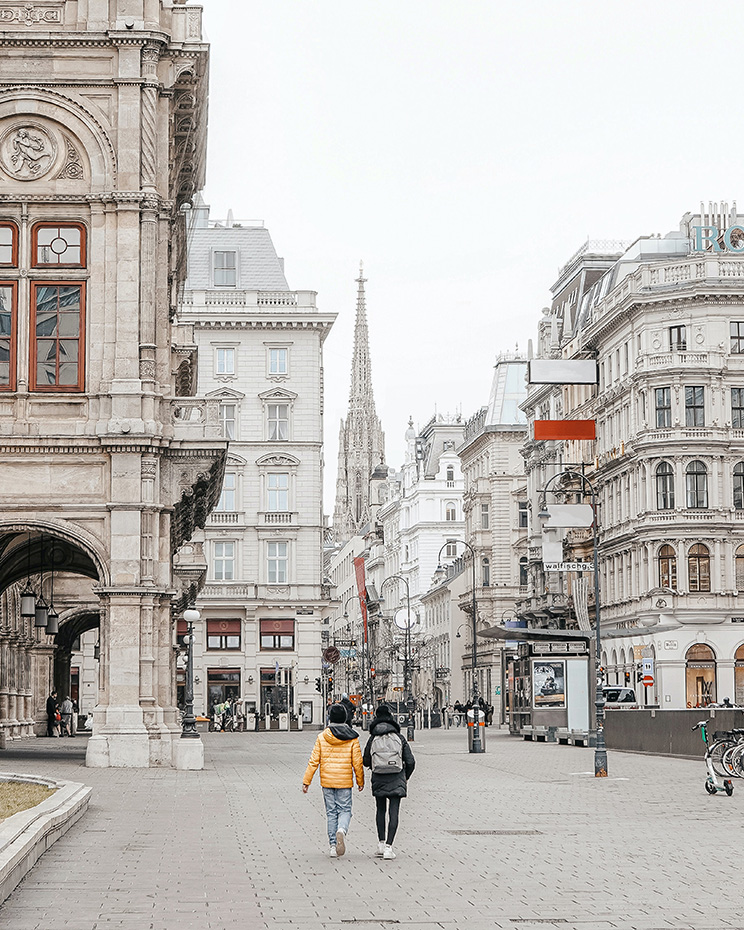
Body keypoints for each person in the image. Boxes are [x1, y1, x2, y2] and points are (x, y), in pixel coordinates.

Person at [303, 703, 364, 858]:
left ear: (330, 718)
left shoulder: (322, 736)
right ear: (345, 718)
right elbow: (357, 762)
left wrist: (307, 781)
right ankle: (342, 830)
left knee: (331, 813)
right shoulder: (352, 737)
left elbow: (313, 760)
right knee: (345, 810)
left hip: (327, 781)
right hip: (344, 781)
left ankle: (332, 846)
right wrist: (360, 781)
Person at [363, 703, 415, 861]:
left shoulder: (373, 737)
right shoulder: (399, 737)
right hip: (396, 776)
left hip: (379, 776)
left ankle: (380, 843)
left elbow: (365, 760)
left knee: (380, 810)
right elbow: (411, 761)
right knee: (394, 812)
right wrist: (406, 776)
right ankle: (389, 847)